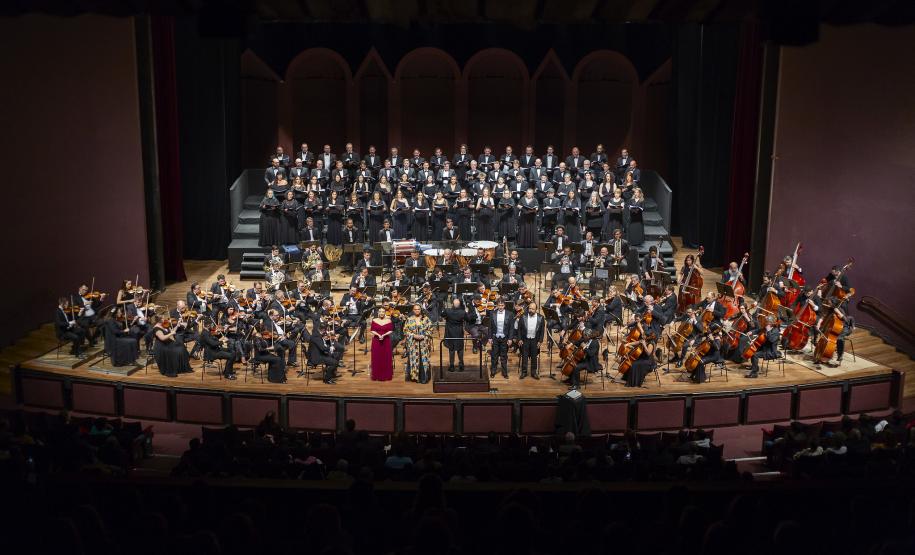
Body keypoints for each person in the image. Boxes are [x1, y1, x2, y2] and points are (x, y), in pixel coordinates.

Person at [404, 304, 434, 384]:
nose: (417, 310)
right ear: (413, 310)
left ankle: (423, 378)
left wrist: (423, 336)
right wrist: (413, 335)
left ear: (421, 310)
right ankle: (415, 377)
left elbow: (431, 330)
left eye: (418, 309)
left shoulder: (426, 319)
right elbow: (405, 330)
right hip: (413, 344)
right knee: (414, 360)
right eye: (415, 309)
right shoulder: (409, 319)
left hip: (424, 343)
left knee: (423, 360)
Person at [488, 298, 515, 379]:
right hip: (495, 337)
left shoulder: (510, 314)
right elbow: (490, 327)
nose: (500, 307)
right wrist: (489, 337)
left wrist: (510, 338)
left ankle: (504, 372)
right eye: (499, 305)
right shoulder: (492, 313)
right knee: (494, 355)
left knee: (504, 356)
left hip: (504, 338)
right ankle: (493, 371)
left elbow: (511, 328)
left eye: (502, 305)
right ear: (497, 305)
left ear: (504, 305)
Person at [369, 307, 393, 381]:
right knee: (376, 357)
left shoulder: (388, 320)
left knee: (386, 357)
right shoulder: (374, 320)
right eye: (380, 311)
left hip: (386, 340)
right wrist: (378, 335)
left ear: (385, 312)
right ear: (378, 313)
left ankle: (386, 375)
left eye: (383, 311)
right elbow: (372, 330)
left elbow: (391, 330)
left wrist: (384, 335)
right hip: (376, 340)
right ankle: (376, 375)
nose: (381, 313)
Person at [443, 298, 467, 371]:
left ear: (452, 304)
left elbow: (442, 315)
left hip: (450, 333)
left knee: (451, 349)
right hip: (459, 332)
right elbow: (468, 319)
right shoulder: (462, 312)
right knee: (460, 349)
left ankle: (452, 366)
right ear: (459, 305)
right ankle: (461, 365)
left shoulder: (447, 311)